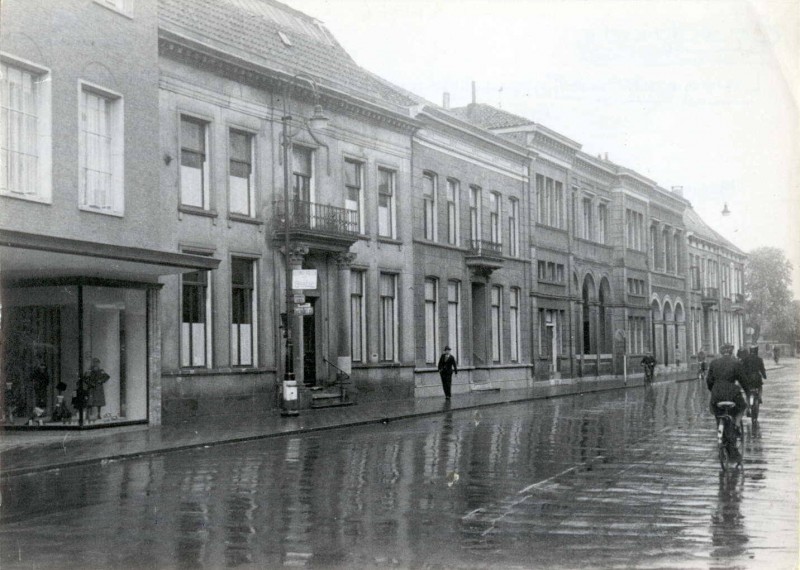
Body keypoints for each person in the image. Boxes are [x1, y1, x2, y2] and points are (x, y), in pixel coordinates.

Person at [706, 343, 748, 433]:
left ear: (721, 352)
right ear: (731, 351)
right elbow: (743, 381)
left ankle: (719, 426)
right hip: (732, 393)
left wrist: (713, 390)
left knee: (716, 410)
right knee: (742, 406)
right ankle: (736, 424)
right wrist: (747, 391)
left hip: (717, 393)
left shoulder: (714, 363)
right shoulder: (736, 363)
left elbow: (709, 381)